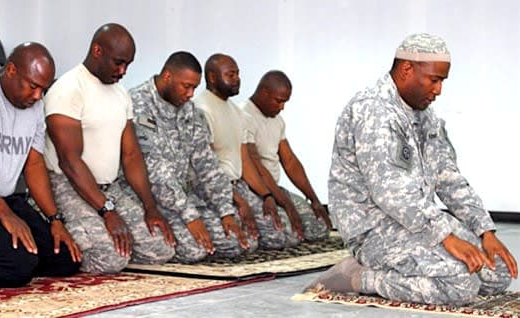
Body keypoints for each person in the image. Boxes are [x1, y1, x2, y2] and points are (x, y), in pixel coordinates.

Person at [306, 33, 517, 306]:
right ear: (407, 69)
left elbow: (448, 177)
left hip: (415, 221)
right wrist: (445, 236)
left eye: (442, 81)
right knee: (461, 285)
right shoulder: (372, 110)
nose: (439, 90)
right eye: (434, 80)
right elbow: (390, 190)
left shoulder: (423, 114)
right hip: (374, 227)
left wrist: (484, 231)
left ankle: (398, 269)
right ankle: (359, 277)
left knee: (496, 272)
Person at [44, 23, 175, 274]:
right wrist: (106, 211)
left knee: (162, 248)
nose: (123, 70)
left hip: (109, 188)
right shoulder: (69, 89)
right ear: (97, 51)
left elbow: (132, 155)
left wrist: (150, 206)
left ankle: (117, 248)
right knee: (109, 258)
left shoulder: (121, 94)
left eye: (128, 64)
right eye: (118, 62)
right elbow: (69, 162)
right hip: (67, 185)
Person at [0, 42, 81, 287]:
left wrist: (55, 219)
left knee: (65, 258)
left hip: (3, 199)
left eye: (43, 89)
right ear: (11, 70)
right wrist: (5, 215)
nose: (38, 96)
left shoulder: (34, 104)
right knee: (15, 267)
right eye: (33, 86)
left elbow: (34, 164)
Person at [118, 51, 250, 264]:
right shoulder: (139, 104)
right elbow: (155, 170)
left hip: (180, 197)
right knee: (193, 250)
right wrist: (190, 216)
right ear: (168, 77)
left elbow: (207, 164)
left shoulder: (190, 111)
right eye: (186, 86)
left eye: (194, 88)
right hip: (147, 199)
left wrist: (226, 211)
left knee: (233, 243)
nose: (190, 94)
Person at [195, 54, 293, 250]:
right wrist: (239, 202)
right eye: (230, 74)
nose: (237, 79)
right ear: (212, 77)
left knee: (281, 235)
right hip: (213, 189)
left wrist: (266, 196)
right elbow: (207, 169)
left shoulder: (237, 112)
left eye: (238, 74)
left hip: (238, 186)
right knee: (237, 244)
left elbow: (245, 160)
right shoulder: (201, 109)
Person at [242, 70, 333, 243]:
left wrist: (314, 199)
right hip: (256, 191)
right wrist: (286, 204)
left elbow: (290, 161)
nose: (282, 107)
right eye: (279, 101)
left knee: (318, 228)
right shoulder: (244, 116)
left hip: (276, 190)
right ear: (264, 93)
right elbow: (256, 167)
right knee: (285, 236)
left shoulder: (278, 120)